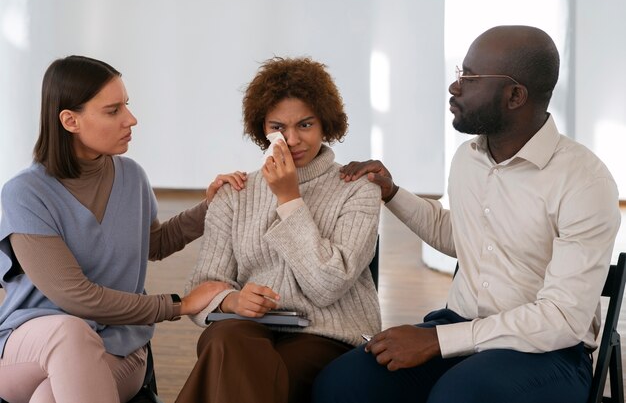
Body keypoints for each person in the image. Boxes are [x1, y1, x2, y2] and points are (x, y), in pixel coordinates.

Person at [312, 25, 621, 403]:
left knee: (457, 396)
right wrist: (391, 193)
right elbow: (461, 236)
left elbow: (561, 320)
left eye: (470, 77)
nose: (454, 87)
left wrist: (438, 340)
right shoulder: (469, 159)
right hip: (460, 327)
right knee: (340, 385)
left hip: (545, 351)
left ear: (515, 95)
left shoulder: (584, 182)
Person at [0, 55, 245, 403]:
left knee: (48, 398)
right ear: (70, 120)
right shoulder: (25, 192)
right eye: (113, 111)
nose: (131, 119)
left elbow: (153, 244)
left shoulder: (131, 176)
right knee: (70, 332)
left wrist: (212, 207)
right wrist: (180, 305)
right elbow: (76, 297)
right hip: (30, 344)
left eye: (126, 106)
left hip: (119, 346)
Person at [175, 56, 382, 403]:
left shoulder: (357, 188)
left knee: (230, 358)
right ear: (262, 129)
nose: (291, 139)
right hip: (249, 330)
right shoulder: (235, 194)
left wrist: (288, 199)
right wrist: (232, 299)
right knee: (227, 339)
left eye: (305, 125)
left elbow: (327, 285)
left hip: (326, 335)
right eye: (277, 128)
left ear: (325, 124)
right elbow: (201, 286)